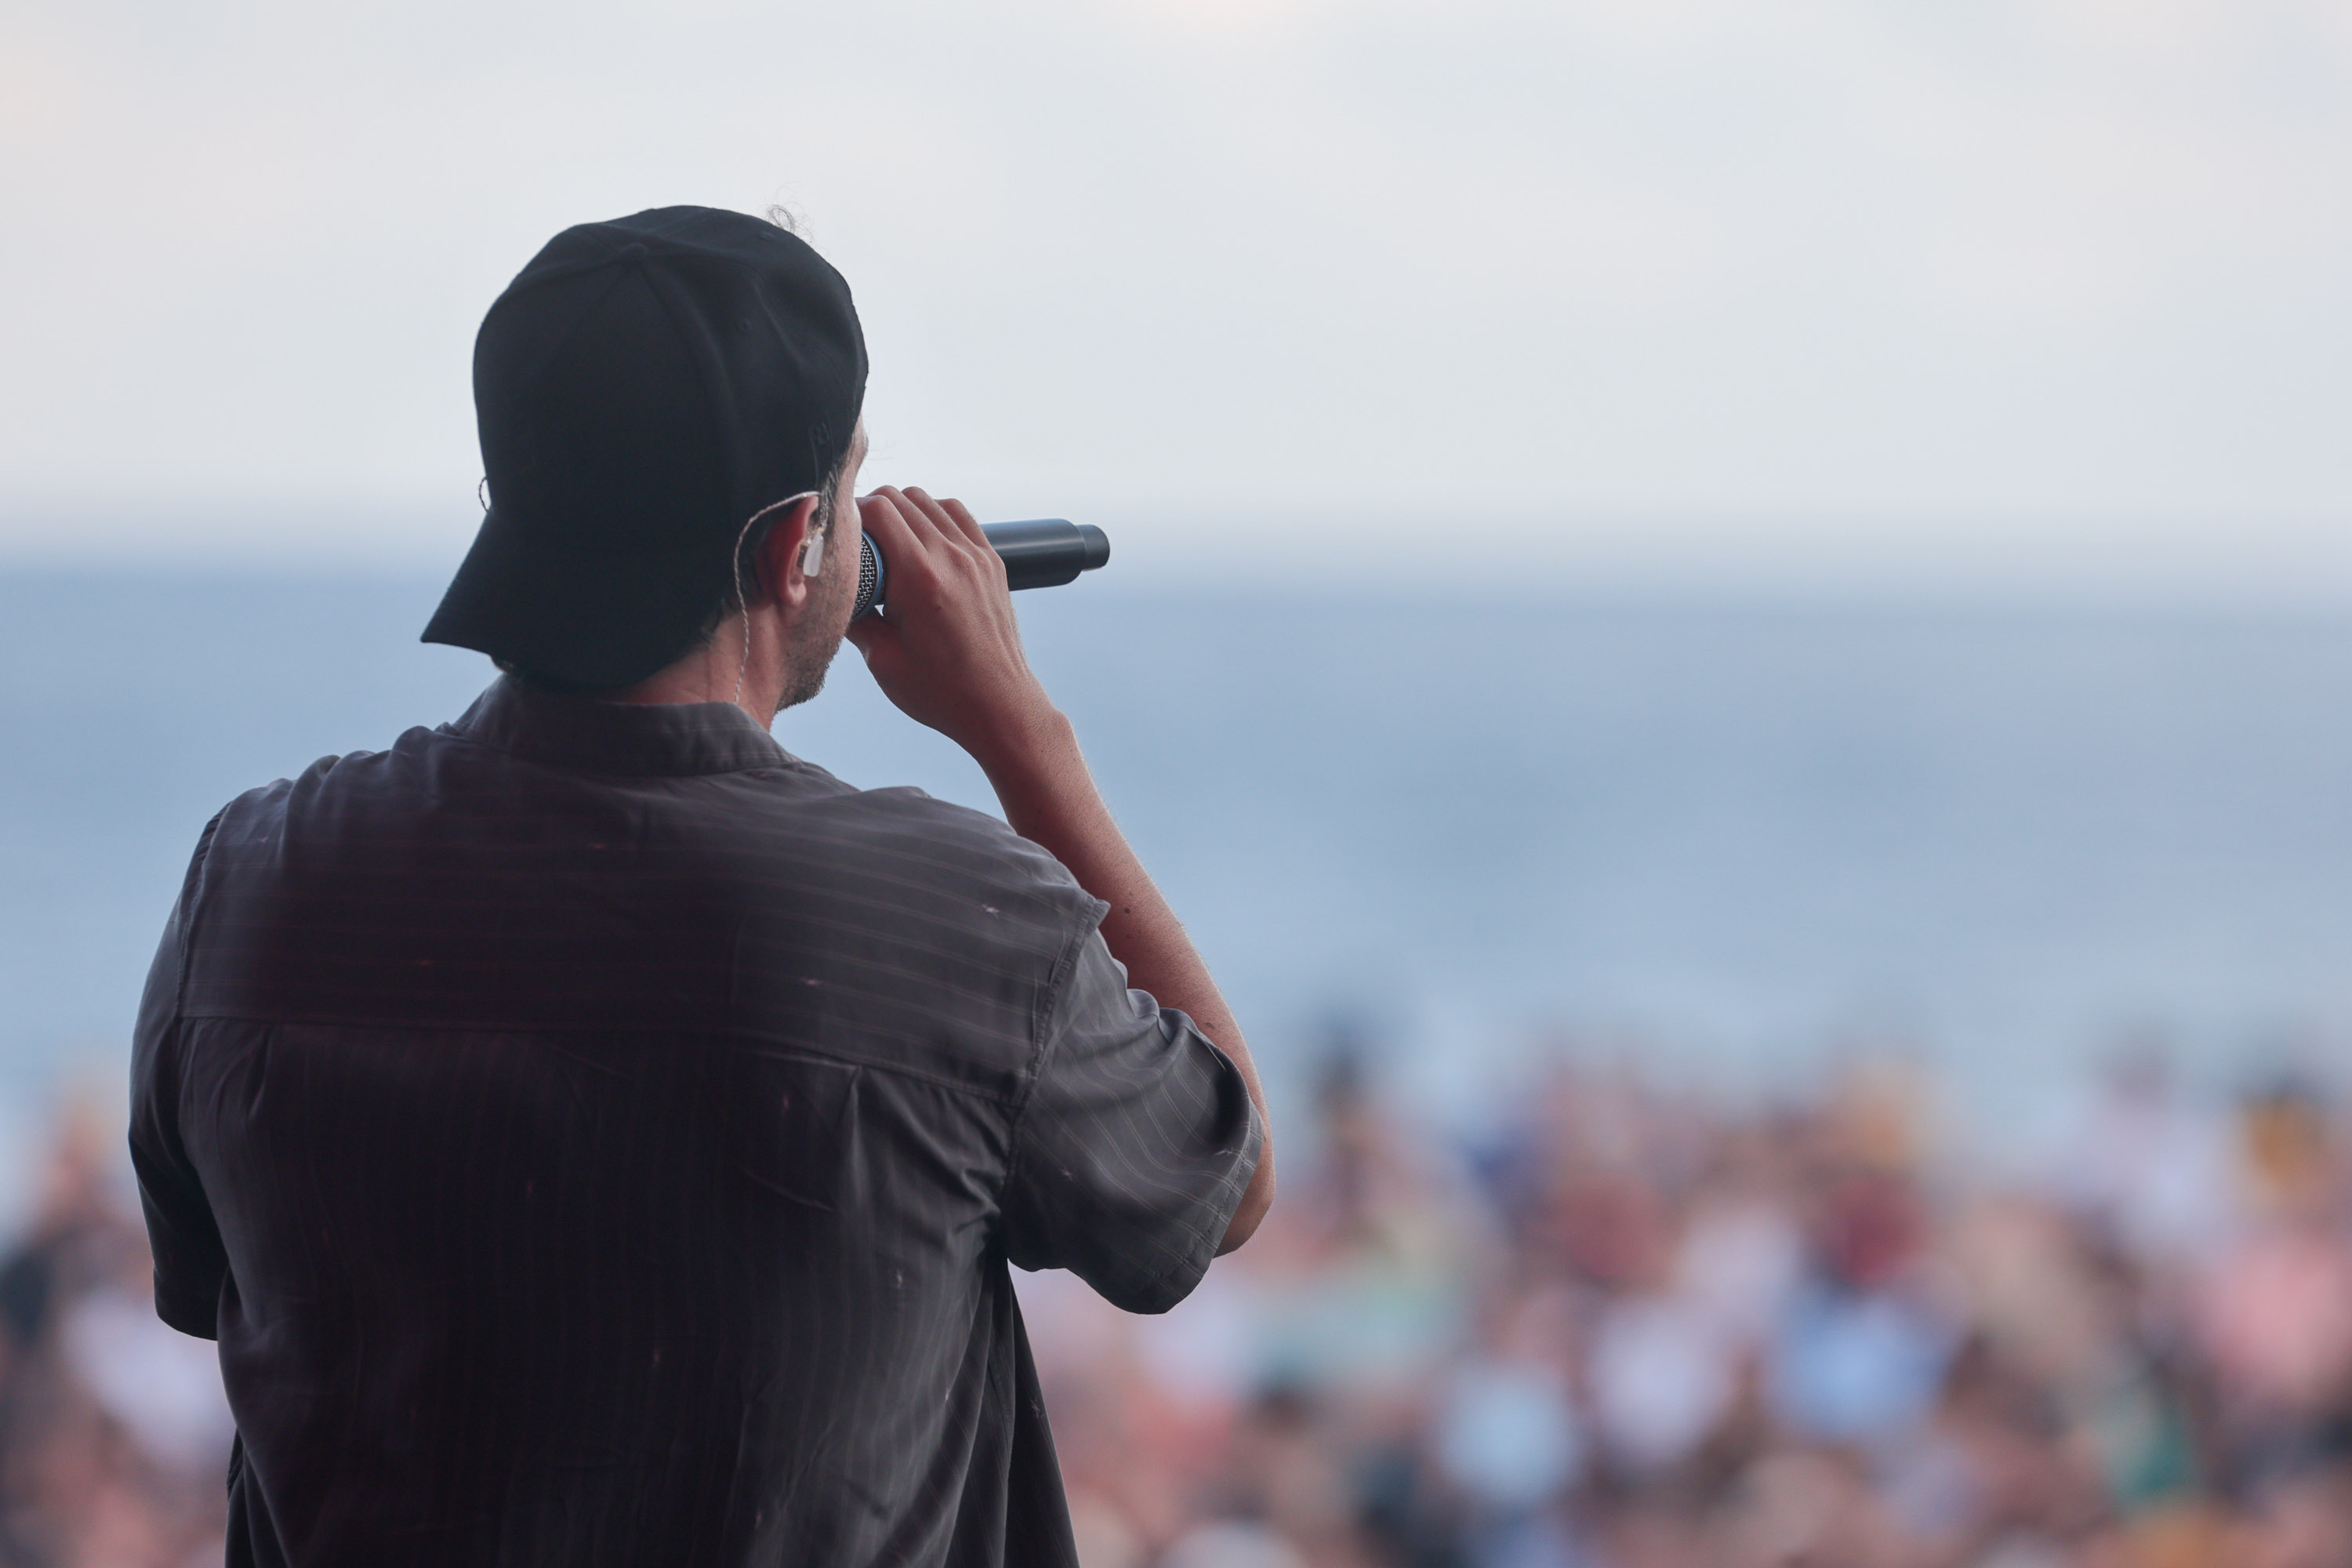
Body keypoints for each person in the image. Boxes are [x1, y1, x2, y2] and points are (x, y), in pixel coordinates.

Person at [127, 205, 1274, 1568]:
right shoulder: (955, 927)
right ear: (802, 543)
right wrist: (1022, 734)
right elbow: (1219, 1181)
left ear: (508, 508)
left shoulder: (255, 885)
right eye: (855, 487)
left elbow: (209, 1290)